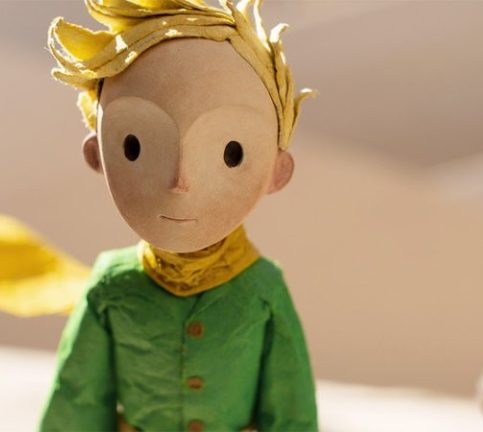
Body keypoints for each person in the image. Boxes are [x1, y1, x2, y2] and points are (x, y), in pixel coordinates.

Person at [40, 1, 318, 430]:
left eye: (231, 153)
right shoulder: (111, 287)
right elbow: (79, 396)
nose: (180, 180)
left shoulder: (263, 290)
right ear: (97, 154)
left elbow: (290, 404)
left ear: (277, 172)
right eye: (134, 145)